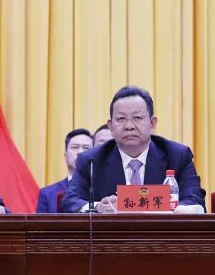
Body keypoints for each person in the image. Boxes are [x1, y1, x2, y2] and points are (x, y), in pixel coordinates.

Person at [62, 85, 205, 213]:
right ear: (110, 126)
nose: (129, 126)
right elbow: (70, 202)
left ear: (152, 123)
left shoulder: (177, 156)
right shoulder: (91, 160)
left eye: (137, 118)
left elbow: (195, 201)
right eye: (121, 119)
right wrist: (98, 207)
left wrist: (169, 208)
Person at [36, 128, 93, 213]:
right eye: (75, 147)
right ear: (65, 156)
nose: (80, 152)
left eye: (86, 148)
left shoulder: (104, 190)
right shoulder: (47, 194)